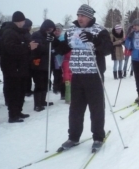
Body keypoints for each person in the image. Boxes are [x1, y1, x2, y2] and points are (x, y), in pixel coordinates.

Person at [56, 4, 113, 150]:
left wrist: (93, 39)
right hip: (77, 75)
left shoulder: (99, 30)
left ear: (89, 17)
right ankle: (73, 137)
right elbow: (64, 48)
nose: (79, 18)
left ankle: (98, 137)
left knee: (96, 108)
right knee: (75, 109)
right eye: (78, 15)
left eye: (82, 16)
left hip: (94, 74)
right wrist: (52, 41)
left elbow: (107, 49)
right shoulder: (71, 30)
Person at [1, 11, 38, 123]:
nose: (24, 22)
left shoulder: (19, 32)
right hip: (12, 67)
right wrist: (27, 47)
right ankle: (13, 115)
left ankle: (18, 111)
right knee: (14, 91)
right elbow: (11, 49)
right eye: (23, 20)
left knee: (21, 90)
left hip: (21, 67)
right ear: (19, 21)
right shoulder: (9, 32)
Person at [31, 19, 56, 112]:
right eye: (49, 28)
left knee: (46, 82)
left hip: (47, 63)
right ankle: (37, 104)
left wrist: (52, 43)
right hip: (38, 63)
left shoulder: (50, 36)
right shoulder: (36, 35)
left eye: (52, 29)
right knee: (39, 83)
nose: (50, 31)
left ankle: (42, 101)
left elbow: (53, 46)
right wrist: (47, 43)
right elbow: (37, 48)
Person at [53, 23, 65, 100]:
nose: (56, 32)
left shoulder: (62, 38)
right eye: (55, 30)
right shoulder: (52, 38)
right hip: (53, 59)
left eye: (58, 30)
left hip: (61, 59)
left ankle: (61, 90)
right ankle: (55, 87)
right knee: (55, 74)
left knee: (61, 74)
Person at [23, 19, 34, 97]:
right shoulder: (26, 34)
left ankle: (25, 89)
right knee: (27, 75)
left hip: (23, 58)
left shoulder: (20, 33)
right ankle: (27, 90)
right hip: (27, 57)